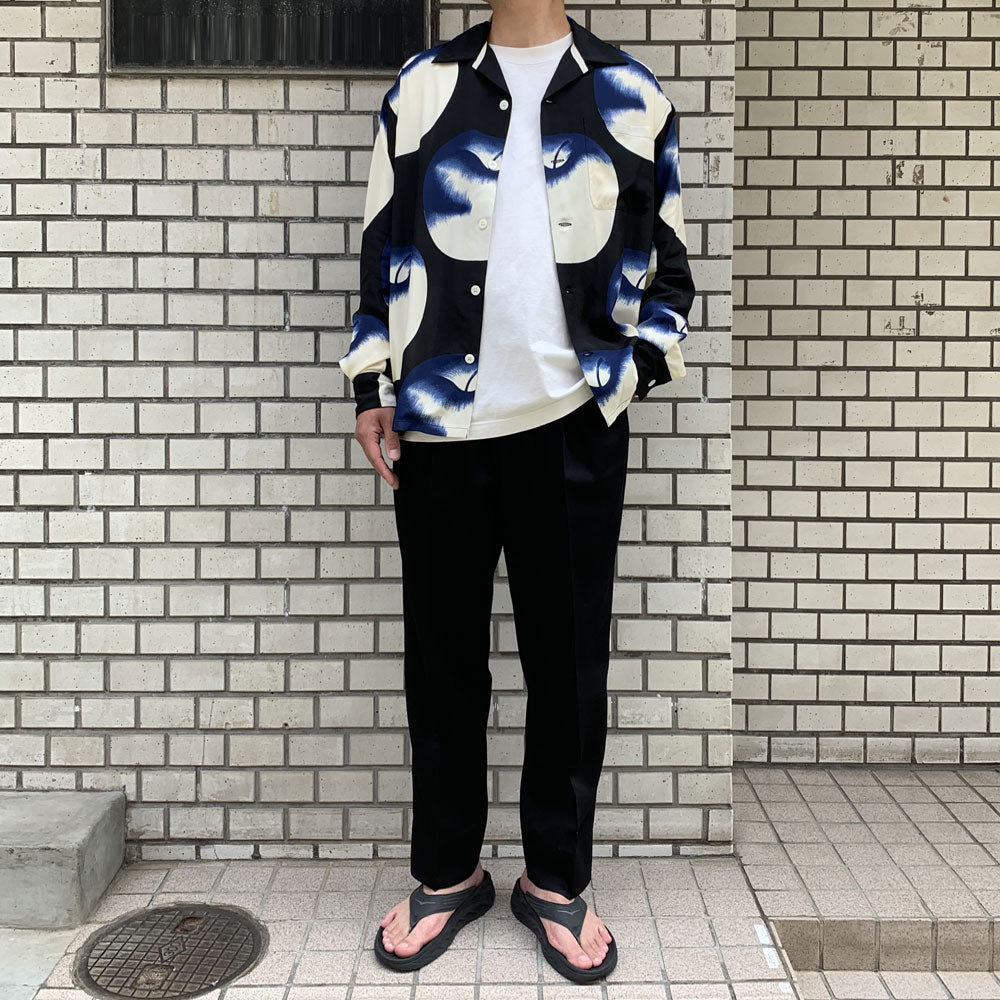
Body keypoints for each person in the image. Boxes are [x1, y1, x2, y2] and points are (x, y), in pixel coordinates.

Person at [338, 0, 695, 984]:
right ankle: (447, 873)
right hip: (439, 430)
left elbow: (671, 272)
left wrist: (624, 376)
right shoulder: (422, 90)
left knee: (568, 671)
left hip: (572, 429)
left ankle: (556, 882)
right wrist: (370, 386)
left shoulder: (630, 95)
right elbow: (380, 250)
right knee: (442, 667)